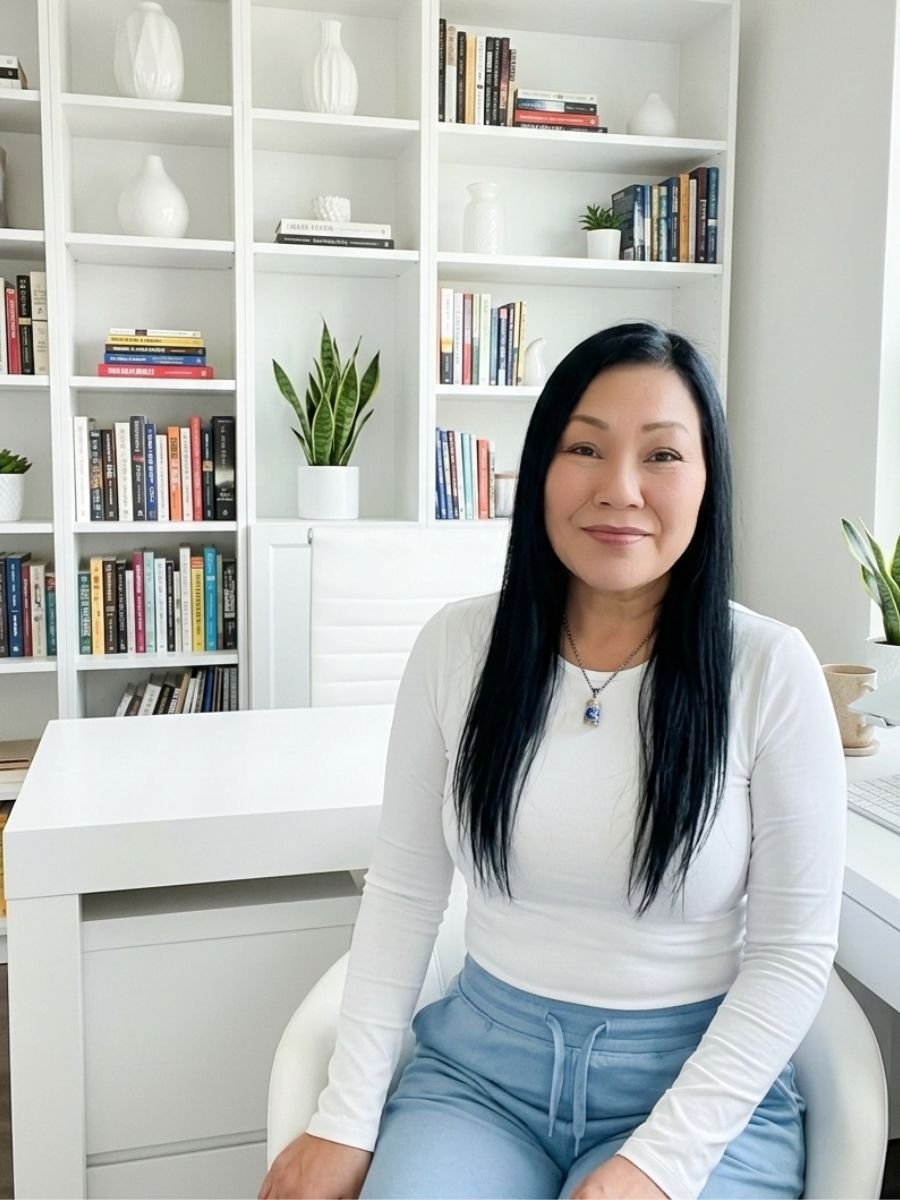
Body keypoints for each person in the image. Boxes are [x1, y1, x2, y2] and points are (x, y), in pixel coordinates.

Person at [259, 321, 847, 1200]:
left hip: (696, 1086)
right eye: (585, 448)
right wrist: (345, 1117)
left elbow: (793, 953)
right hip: (480, 1080)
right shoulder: (458, 647)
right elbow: (406, 891)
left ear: (708, 480)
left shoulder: (770, 669)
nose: (620, 490)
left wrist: (658, 1165)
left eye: (662, 455)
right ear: (539, 467)